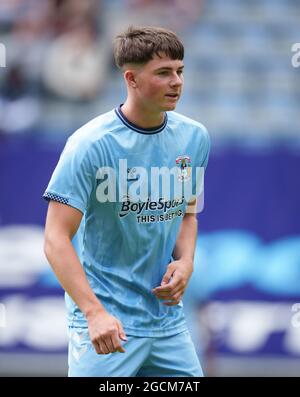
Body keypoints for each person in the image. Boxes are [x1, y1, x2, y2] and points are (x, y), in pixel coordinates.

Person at [43, 26, 210, 377]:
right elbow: (55, 239)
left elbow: (187, 214)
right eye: (163, 73)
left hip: (167, 325)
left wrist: (186, 261)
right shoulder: (88, 144)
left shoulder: (194, 138)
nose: (177, 81)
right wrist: (93, 314)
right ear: (131, 79)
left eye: (180, 71)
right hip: (108, 326)